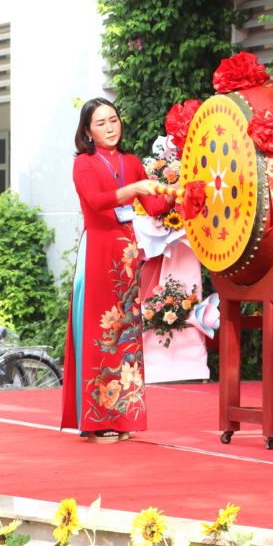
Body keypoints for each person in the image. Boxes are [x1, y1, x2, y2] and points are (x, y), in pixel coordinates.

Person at [62, 98, 173, 444]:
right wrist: (133, 189)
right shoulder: (84, 163)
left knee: (126, 334)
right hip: (97, 251)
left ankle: (124, 415)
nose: (110, 128)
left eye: (113, 120)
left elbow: (154, 206)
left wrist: (176, 190)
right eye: (101, 123)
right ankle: (97, 421)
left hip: (126, 255)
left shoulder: (132, 162)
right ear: (87, 131)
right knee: (100, 332)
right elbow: (96, 202)